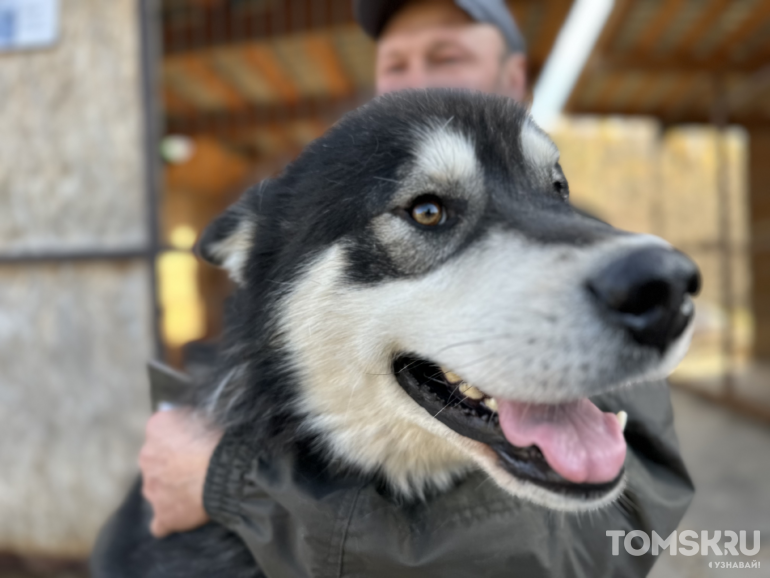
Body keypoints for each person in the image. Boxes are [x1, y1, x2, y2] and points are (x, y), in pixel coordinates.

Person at [139, 1, 694, 575]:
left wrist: (226, 481)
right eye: (427, 210)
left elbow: (603, 546)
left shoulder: (610, 259)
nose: (418, 82)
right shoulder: (327, 194)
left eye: (446, 57)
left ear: (511, 79)